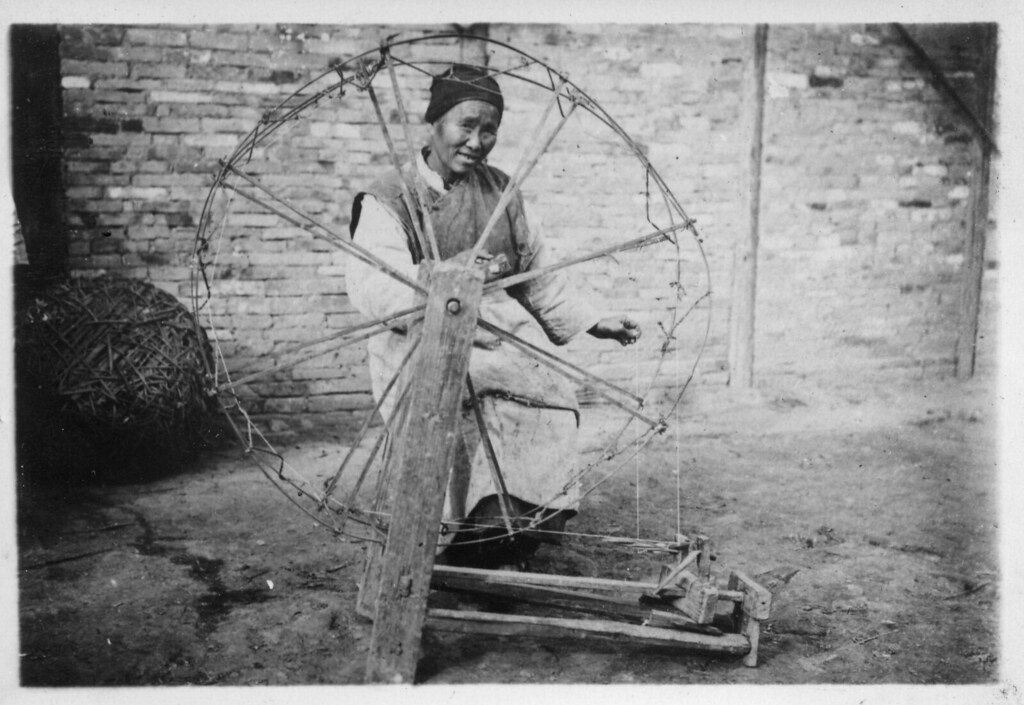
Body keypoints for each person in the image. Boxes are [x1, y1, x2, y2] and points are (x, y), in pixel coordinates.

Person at [347, 64, 640, 570]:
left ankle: (502, 541)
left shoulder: (502, 192)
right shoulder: (389, 198)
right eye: (466, 125)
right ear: (434, 122)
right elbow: (373, 286)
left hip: (498, 338)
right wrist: (442, 276)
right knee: (454, 419)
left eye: (490, 131)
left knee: (546, 400)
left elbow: (540, 273)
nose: (478, 141)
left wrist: (595, 321)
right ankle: (441, 551)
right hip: (420, 342)